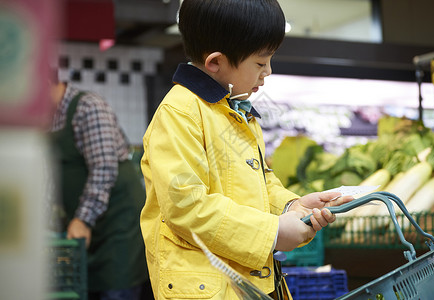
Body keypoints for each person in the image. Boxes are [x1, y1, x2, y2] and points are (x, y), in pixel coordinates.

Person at [140, 0, 353, 299]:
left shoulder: (237, 109)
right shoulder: (180, 113)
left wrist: (291, 207)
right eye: (260, 62)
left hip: (248, 284)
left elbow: (261, 183)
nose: (268, 72)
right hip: (208, 289)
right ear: (215, 62)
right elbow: (186, 208)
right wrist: (274, 232)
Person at [49, 74, 150, 300]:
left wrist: (83, 219)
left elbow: (103, 169)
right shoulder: (47, 119)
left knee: (117, 289)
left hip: (117, 225)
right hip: (83, 229)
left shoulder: (87, 107)